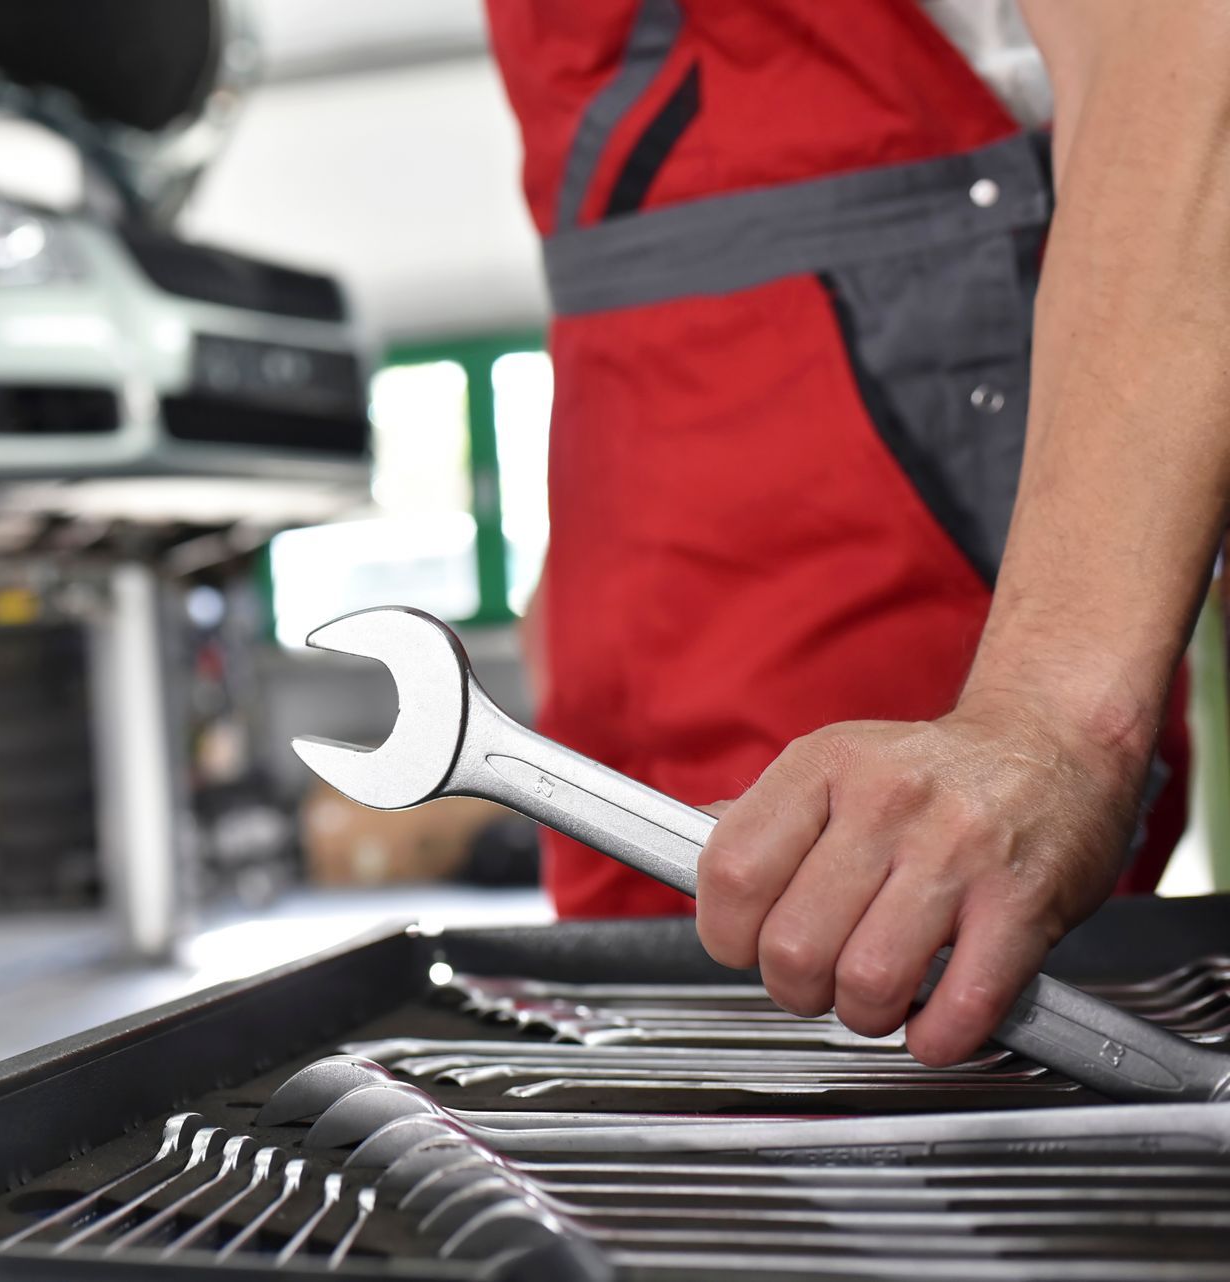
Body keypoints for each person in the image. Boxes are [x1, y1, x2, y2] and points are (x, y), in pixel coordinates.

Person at [486, 0, 1221, 1065]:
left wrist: (1056, 713)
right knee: (674, 1140)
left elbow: (1182, 41)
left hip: (893, 613)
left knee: (927, 1099)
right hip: (639, 643)